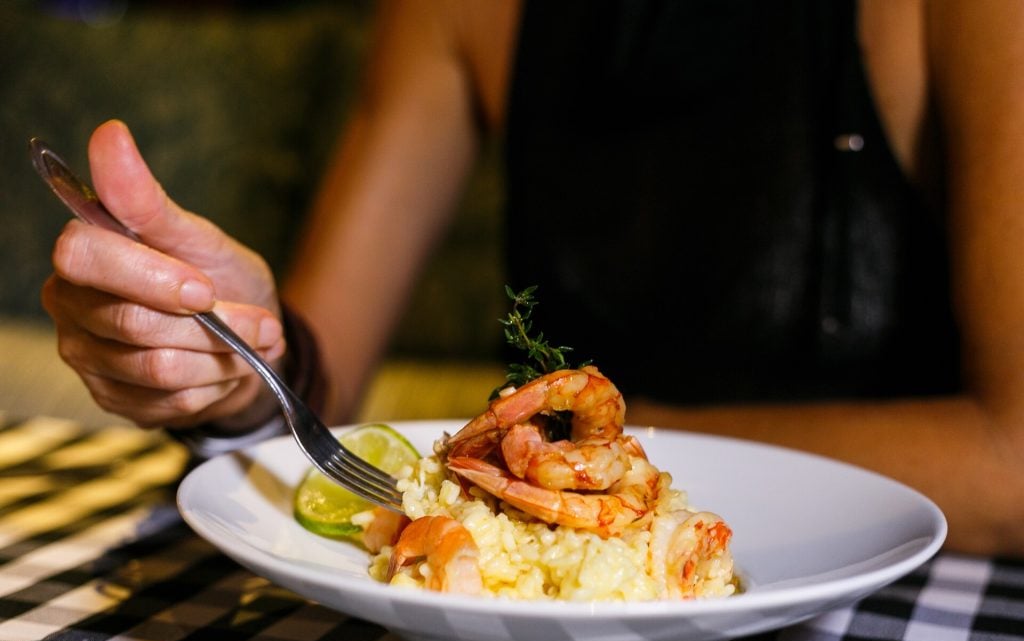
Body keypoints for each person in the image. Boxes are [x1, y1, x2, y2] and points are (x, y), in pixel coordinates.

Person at [42, 0, 1024, 556]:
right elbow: (317, 386)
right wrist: (234, 355)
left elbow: (1013, 465)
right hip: (535, 623)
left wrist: (579, 466)